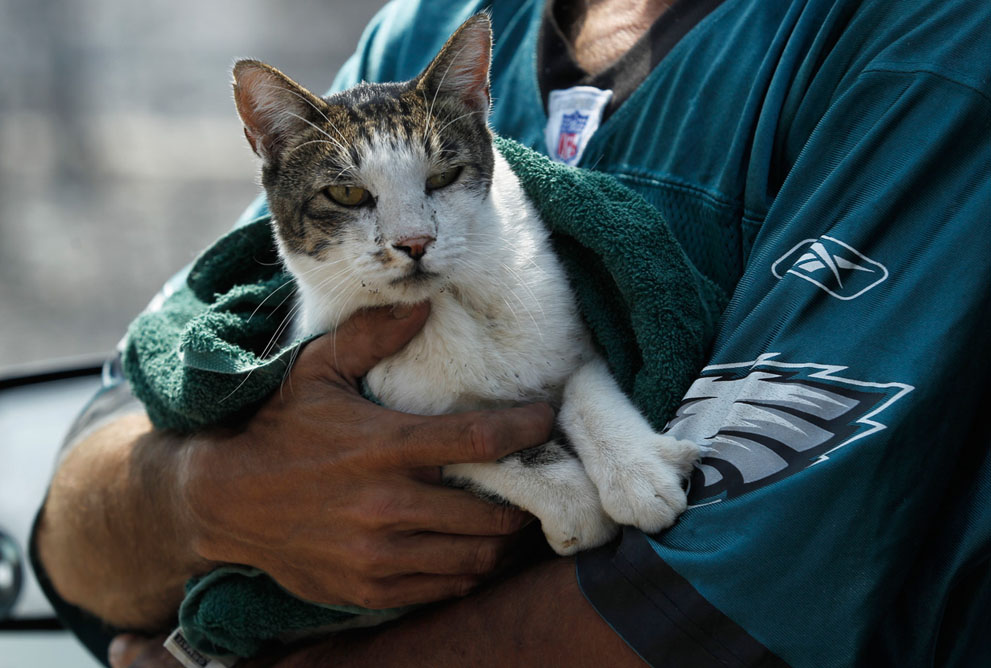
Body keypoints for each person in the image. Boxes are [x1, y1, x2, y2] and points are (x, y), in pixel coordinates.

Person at [31, 0, 991, 666]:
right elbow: (88, 514)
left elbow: (733, 604)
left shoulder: (922, 42)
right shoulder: (413, 37)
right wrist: (206, 497)